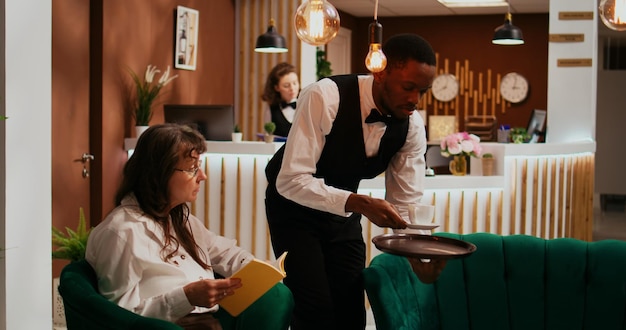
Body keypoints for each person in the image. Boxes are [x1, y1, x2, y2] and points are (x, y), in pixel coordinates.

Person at [264, 34, 446, 330]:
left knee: (352, 310)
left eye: (423, 91)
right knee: (315, 310)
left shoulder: (411, 126)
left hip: (344, 214)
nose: (415, 100)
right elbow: (291, 180)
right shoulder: (325, 95)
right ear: (381, 72)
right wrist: (358, 202)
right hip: (292, 210)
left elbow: (405, 204)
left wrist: (417, 261)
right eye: (408, 87)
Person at [86, 123, 293, 330]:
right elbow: (119, 316)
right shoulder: (122, 232)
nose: (202, 176)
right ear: (160, 173)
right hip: (167, 326)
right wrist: (186, 297)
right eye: (192, 169)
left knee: (277, 294)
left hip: (208, 319)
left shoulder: (180, 219)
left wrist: (257, 269)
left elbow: (225, 252)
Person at [261, 62, 300, 137]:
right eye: (286, 86)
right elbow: (267, 135)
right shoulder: (271, 109)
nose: (292, 88)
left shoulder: (306, 104)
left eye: (295, 83)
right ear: (277, 88)